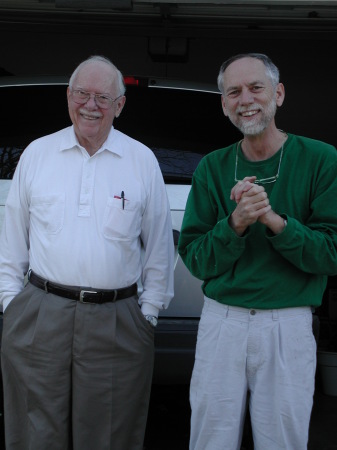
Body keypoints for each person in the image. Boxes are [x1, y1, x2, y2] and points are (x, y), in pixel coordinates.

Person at [0, 55, 174, 450]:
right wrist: (12, 306)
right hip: (40, 314)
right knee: (34, 431)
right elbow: (12, 242)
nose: (90, 105)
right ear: (68, 97)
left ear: (120, 105)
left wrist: (148, 315)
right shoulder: (37, 154)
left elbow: (160, 249)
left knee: (109, 434)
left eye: (102, 97)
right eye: (82, 93)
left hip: (118, 319)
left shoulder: (141, 160)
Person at [178, 53, 337, 450]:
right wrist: (236, 224)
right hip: (222, 323)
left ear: (278, 94)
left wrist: (273, 220)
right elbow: (196, 257)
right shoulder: (212, 168)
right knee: (210, 439)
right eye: (233, 91)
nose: (245, 98)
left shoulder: (321, 160)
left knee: (283, 441)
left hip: (288, 324)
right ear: (223, 104)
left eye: (256, 87)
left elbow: (331, 254)